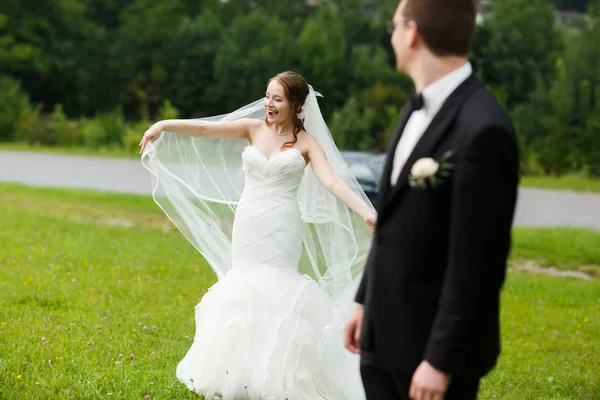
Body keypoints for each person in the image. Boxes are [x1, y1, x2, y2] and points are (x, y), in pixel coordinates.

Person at [139, 71, 376, 400]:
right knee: (244, 287)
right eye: (267, 96)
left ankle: (276, 373)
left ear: (295, 104)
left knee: (278, 289)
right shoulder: (253, 129)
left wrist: (366, 211)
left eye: (277, 99)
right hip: (249, 222)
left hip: (283, 225)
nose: (268, 104)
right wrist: (163, 125)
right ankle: (236, 372)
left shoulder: (306, 143)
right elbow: (207, 129)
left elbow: (332, 182)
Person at [344, 1, 519, 400]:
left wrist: (441, 361)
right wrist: (363, 302)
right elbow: (392, 224)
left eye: (393, 26)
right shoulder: (414, 108)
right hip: (381, 335)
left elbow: (479, 264)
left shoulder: (484, 129)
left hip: (428, 355)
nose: (391, 36)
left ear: (412, 32)